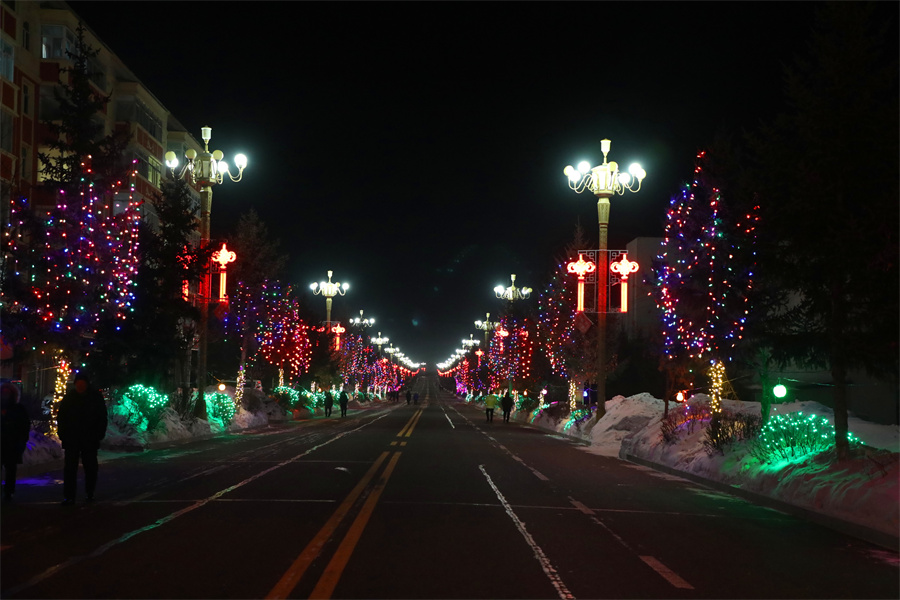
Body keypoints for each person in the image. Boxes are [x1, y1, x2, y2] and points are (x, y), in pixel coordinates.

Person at [57, 372, 108, 505]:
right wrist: (63, 434)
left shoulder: (95, 398)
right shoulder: (69, 398)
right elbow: (62, 417)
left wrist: (98, 434)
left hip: (89, 438)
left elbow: (102, 417)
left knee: (90, 467)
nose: (80, 386)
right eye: (78, 384)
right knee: (70, 469)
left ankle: (89, 492)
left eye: (82, 384)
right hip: (72, 439)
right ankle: (69, 496)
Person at [1, 382, 30, 502]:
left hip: (11, 443)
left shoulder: (18, 409)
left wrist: (21, 440)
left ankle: (9, 491)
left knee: (10, 468)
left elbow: (24, 426)